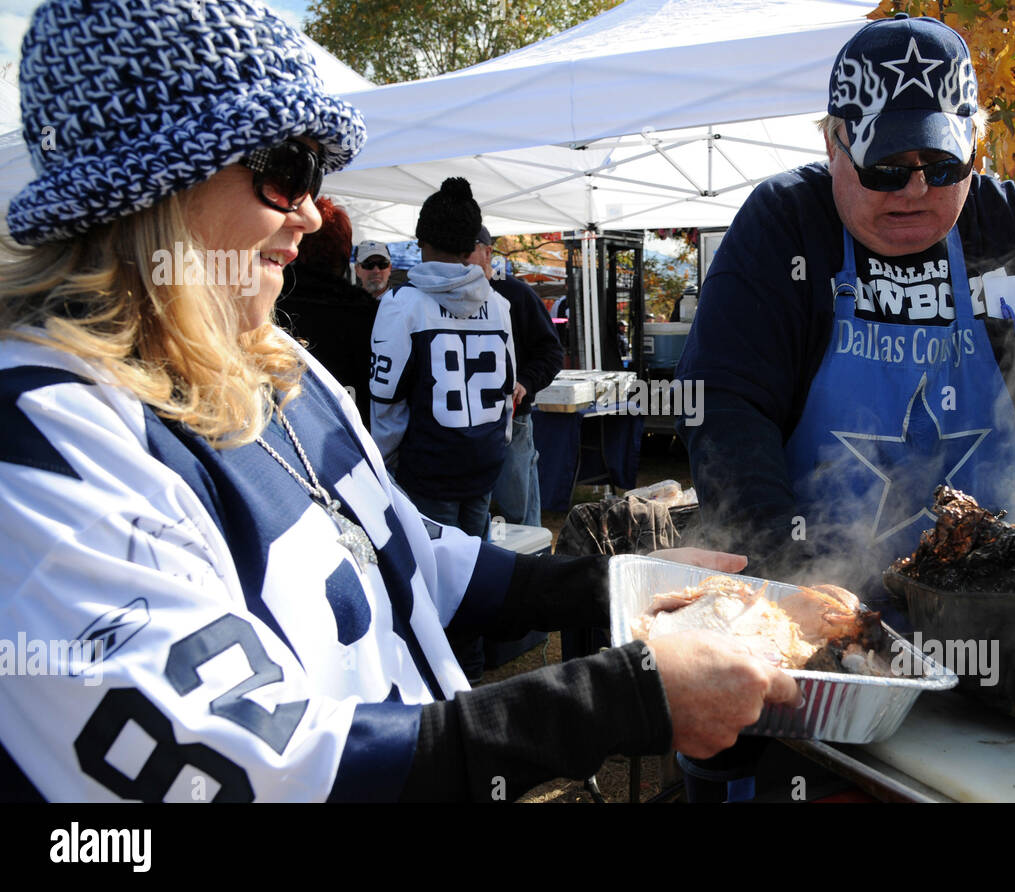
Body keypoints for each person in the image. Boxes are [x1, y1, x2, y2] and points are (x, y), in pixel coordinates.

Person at [0, 0, 798, 803]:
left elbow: (407, 554)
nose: (312, 213)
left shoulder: (280, 367)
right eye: (288, 170)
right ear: (152, 182)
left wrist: (617, 584)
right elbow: (247, 771)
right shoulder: (40, 440)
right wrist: (624, 698)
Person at [675, 13, 1015, 599]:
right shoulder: (788, 224)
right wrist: (788, 579)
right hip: (823, 596)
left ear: (976, 146)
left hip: (1008, 608)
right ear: (832, 142)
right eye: (885, 167)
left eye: (944, 165)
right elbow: (724, 402)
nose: (915, 190)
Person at [370, 180, 514, 542]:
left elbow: (386, 401)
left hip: (429, 471)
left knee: (435, 580)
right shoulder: (499, 305)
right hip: (484, 462)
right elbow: (507, 392)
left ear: (422, 242)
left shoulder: (401, 303)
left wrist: (383, 468)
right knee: (476, 571)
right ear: (472, 245)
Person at [477, 226, 564, 528]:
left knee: (518, 513)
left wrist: (525, 382)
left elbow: (552, 352)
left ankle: (534, 566)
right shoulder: (443, 298)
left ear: (487, 252)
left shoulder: (516, 293)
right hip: (467, 425)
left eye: (468, 251)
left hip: (513, 421)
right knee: (479, 515)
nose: (460, 261)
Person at [276, 197, 378, 427]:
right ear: (344, 253)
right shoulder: (366, 312)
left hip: (285, 425)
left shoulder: (272, 305)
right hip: (349, 431)